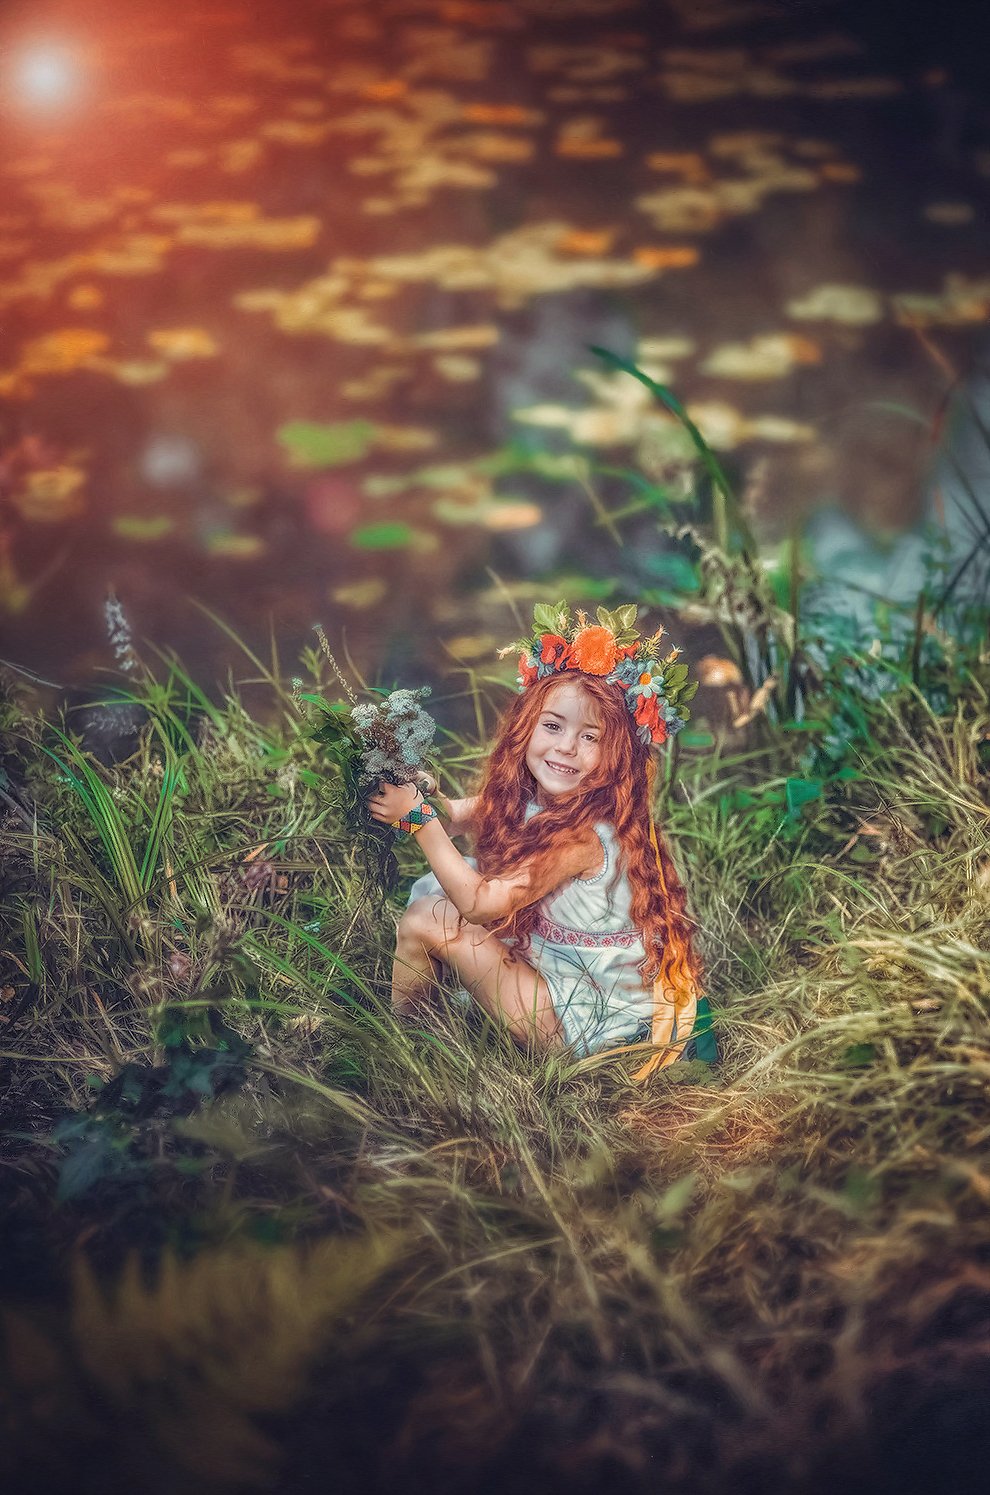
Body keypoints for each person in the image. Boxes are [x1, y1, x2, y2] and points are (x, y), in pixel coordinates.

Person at [366, 604, 714, 1077]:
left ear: (618, 754)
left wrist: (418, 822)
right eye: (553, 726)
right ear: (526, 726)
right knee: (438, 893)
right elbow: (458, 817)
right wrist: (426, 798)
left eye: (590, 737)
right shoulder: (539, 798)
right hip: (558, 977)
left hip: (584, 1024)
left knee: (430, 916)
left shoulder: (582, 838)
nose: (566, 747)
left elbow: (480, 904)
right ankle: (426, 1030)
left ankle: (406, 1047)